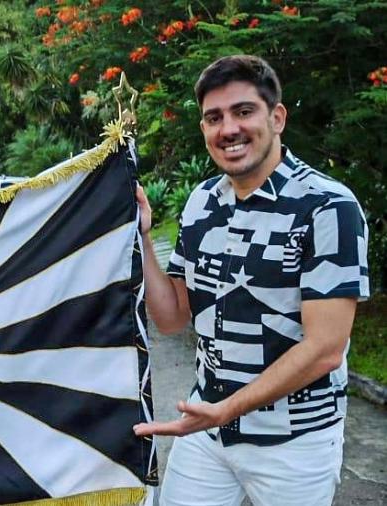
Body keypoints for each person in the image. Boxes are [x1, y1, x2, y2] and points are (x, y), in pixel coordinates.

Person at [133, 55, 368, 505]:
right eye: (214, 118)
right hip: (209, 432)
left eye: (244, 111)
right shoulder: (202, 201)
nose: (228, 129)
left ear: (276, 117)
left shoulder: (326, 206)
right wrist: (144, 238)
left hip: (294, 443)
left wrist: (227, 410)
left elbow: (325, 349)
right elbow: (172, 319)